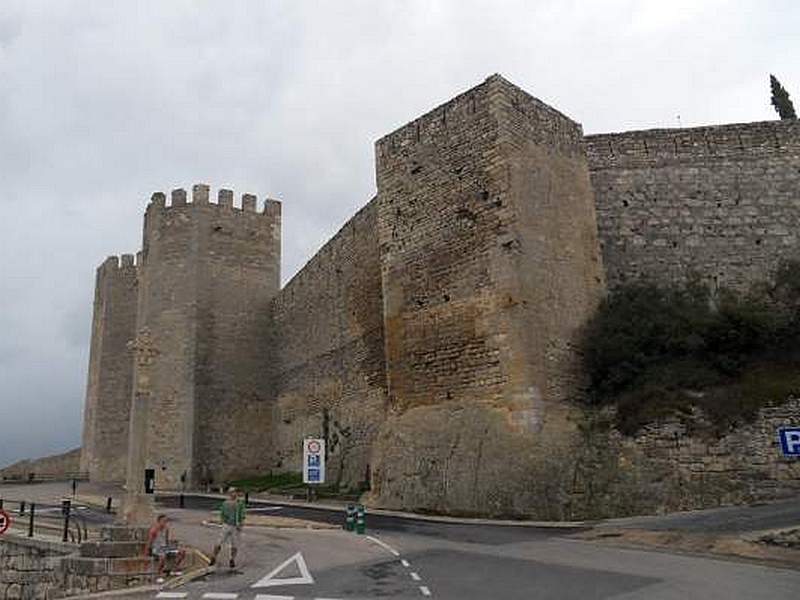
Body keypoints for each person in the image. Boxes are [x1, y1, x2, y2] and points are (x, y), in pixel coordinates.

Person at [210, 487, 246, 569]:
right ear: (229, 494)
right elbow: (222, 514)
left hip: (235, 526)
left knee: (235, 545)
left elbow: (242, 515)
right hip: (227, 525)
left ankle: (232, 559)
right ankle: (213, 557)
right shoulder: (225, 503)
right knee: (219, 542)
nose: (233, 494)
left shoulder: (240, 503)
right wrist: (222, 521)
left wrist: (241, 524)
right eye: (231, 492)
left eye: (234, 492)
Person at [146, 514, 186, 582]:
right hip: (157, 548)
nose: (165, 523)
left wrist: (170, 547)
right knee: (162, 556)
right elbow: (150, 541)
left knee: (182, 552)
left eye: (166, 521)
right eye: (163, 521)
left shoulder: (166, 529)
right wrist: (147, 551)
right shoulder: (154, 530)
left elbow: (166, 539)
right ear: (159, 521)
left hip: (165, 547)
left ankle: (174, 569)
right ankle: (159, 574)